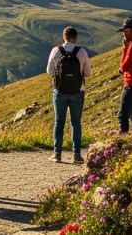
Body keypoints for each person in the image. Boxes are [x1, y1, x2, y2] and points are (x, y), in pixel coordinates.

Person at [46, 27, 91, 164]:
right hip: (78, 91)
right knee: (76, 123)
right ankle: (76, 154)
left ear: (63, 37)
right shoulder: (81, 52)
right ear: (75, 38)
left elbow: (49, 71)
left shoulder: (56, 50)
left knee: (59, 122)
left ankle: (57, 154)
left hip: (60, 91)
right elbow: (87, 73)